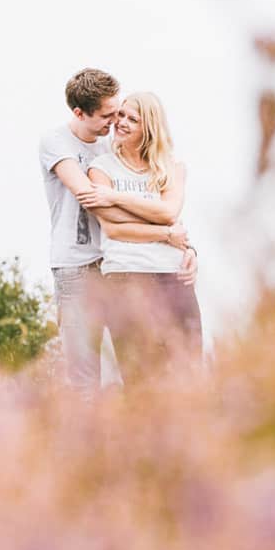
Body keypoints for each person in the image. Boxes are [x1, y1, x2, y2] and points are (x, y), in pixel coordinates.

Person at [39, 69, 198, 398]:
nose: (115, 123)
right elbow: (101, 208)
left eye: (120, 114)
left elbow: (158, 206)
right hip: (78, 266)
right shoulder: (57, 144)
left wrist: (185, 244)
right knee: (85, 372)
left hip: (117, 264)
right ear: (80, 113)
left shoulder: (111, 148)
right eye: (109, 115)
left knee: (132, 364)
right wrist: (165, 233)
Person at [81, 91, 203, 386]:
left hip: (173, 276)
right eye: (120, 115)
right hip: (126, 274)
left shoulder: (172, 168)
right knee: (140, 374)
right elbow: (113, 228)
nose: (120, 123)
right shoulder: (101, 169)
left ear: (149, 127)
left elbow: (169, 211)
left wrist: (115, 196)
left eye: (131, 119)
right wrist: (165, 233)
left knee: (189, 367)